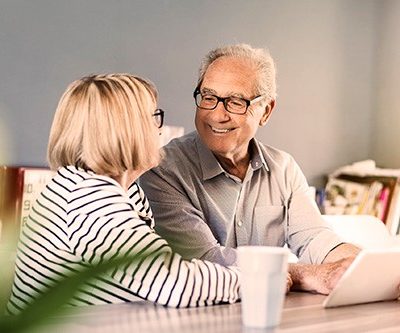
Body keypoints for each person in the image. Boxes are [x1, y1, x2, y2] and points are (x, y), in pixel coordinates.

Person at [6, 74, 241, 315]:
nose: (160, 130)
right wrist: (254, 279)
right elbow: (175, 284)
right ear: (127, 130)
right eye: (154, 117)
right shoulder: (90, 198)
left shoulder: (121, 191)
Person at [140, 44, 360, 295]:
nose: (217, 115)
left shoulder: (283, 168)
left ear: (265, 111)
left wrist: (361, 264)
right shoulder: (162, 170)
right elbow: (203, 258)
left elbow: (315, 238)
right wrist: (304, 274)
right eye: (209, 97)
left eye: (235, 102)